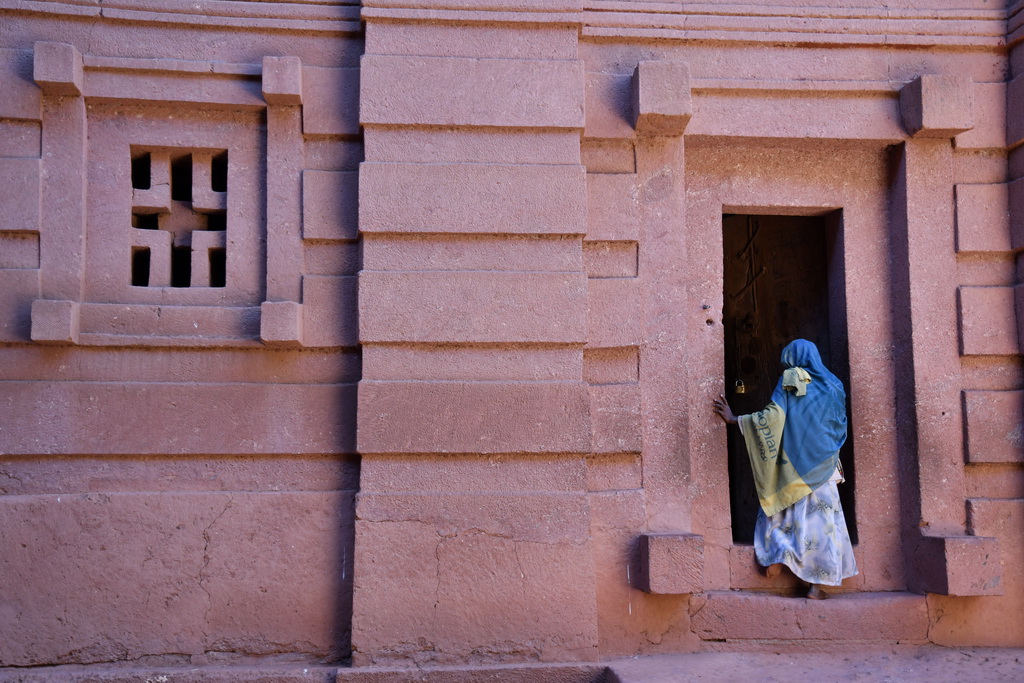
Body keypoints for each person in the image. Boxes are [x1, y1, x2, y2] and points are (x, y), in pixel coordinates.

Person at [712, 339, 857, 599]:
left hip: (793, 466)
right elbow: (839, 425)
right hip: (824, 466)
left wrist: (737, 419)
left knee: (779, 509)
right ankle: (815, 586)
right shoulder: (835, 385)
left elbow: (774, 416)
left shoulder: (792, 378)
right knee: (822, 526)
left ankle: (778, 555)